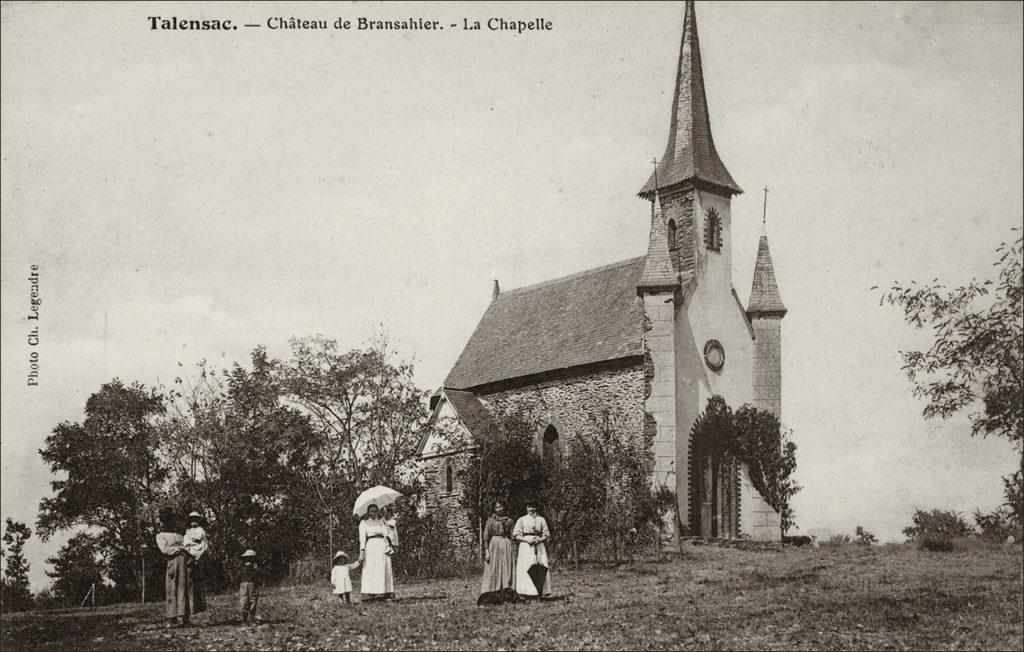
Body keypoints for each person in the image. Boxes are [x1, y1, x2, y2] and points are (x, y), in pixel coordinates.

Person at [155, 508, 203, 627]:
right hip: (173, 563)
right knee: (172, 589)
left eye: (169, 520)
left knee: (184, 589)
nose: (166, 523)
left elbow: (191, 546)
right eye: (164, 521)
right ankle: (171, 618)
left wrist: (191, 556)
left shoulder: (181, 535)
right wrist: (179, 549)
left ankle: (184, 618)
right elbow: (165, 550)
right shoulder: (161, 536)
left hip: (185, 562)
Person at [477, 500, 516, 605]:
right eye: (497, 507)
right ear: (494, 509)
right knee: (494, 568)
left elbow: (512, 536)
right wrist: (486, 551)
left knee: (506, 568)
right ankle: (492, 593)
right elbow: (486, 536)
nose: (499, 509)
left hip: (506, 545)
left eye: (501, 507)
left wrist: (513, 549)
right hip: (494, 545)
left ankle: (507, 594)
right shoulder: (490, 521)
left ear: (504, 507)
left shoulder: (509, 521)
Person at [512, 501, 553, 599]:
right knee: (526, 567)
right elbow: (516, 535)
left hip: (539, 546)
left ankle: (540, 592)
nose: (531, 509)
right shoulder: (521, 520)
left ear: (536, 508)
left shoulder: (541, 520)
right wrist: (526, 539)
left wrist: (540, 539)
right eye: (529, 507)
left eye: (533, 507)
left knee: (540, 566)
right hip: (526, 546)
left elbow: (546, 534)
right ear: (526, 508)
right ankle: (526, 592)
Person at [358, 504, 395, 601]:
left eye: (375, 511)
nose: (374, 513)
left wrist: (388, 529)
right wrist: (362, 552)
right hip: (371, 546)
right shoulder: (364, 523)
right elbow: (362, 539)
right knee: (371, 569)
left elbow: (388, 534)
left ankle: (386, 593)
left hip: (382, 545)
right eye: (372, 511)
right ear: (368, 513)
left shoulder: (382, 522)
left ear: (378, 511)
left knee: (384, 568)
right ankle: (370, 594)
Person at [183, 511, 208, 615]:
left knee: (198, 581)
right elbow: (185, 544)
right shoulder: (188, 532)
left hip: (198, 555)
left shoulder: (201, 531)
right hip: (189, 554)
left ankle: (199, 606)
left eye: (196, 521)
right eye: (192, 521)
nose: (194, 523)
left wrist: (199, 555)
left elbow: (205, 545)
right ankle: (190, 606)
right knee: (189, 581)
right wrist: (190, 551)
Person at [238, 549, 259, 625]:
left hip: (246, 584)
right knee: (250, 600)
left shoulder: (243, 567)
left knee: (246, 600)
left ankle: (247, 619)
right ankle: (248, 619)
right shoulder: (252, 568)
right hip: (248, 584)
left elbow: (238, 576)